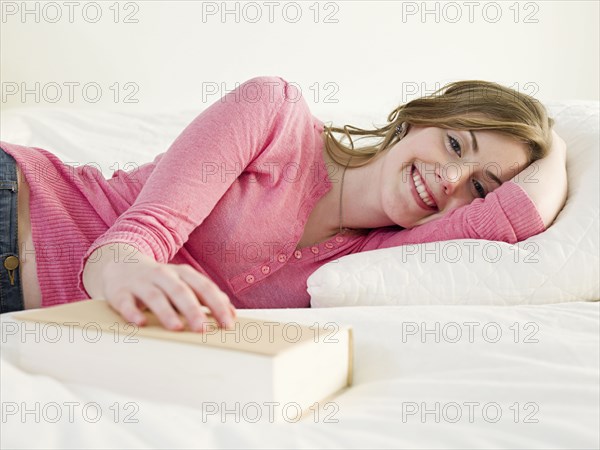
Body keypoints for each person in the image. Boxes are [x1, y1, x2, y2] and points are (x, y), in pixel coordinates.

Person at [0, 76, 567, 332]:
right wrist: (127, 273)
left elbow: (518, 216)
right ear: (418, 119)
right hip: (17, 203)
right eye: (453, 144)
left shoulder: (377, 259)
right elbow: (139, 236)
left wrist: (558, 138)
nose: (450, 179)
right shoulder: (275, 116)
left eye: (478, 184)